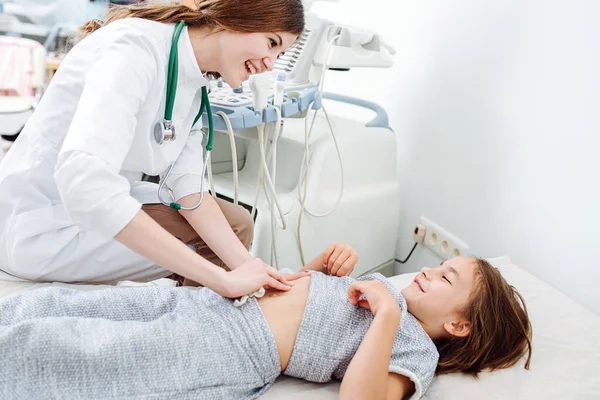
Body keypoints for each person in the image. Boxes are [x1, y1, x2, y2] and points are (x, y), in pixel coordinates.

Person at [0, 0, 304, 298]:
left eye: (281, 53)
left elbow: (188, 190)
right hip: (37, 228)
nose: (271, 65)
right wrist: (220, 279)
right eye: (271, 43)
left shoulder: (192, 81)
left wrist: (253, 268)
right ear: (236, 15)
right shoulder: (135, 49)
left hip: (72, 211)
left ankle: (200, 320)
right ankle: (184, 333)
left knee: (236, 221)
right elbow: (86, 183)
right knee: (221, 240)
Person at [0, 243, 532, 399]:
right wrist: (314, 274)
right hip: (213, 302)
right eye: (439, 265)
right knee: (65, 304)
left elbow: (361, 398)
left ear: (461, 325)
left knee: (72, 348)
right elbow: (307, 306)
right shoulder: (382, 291)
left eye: (445, 279)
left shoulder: (414, 348)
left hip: (232, 346)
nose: (428, 273)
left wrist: (389, 314)